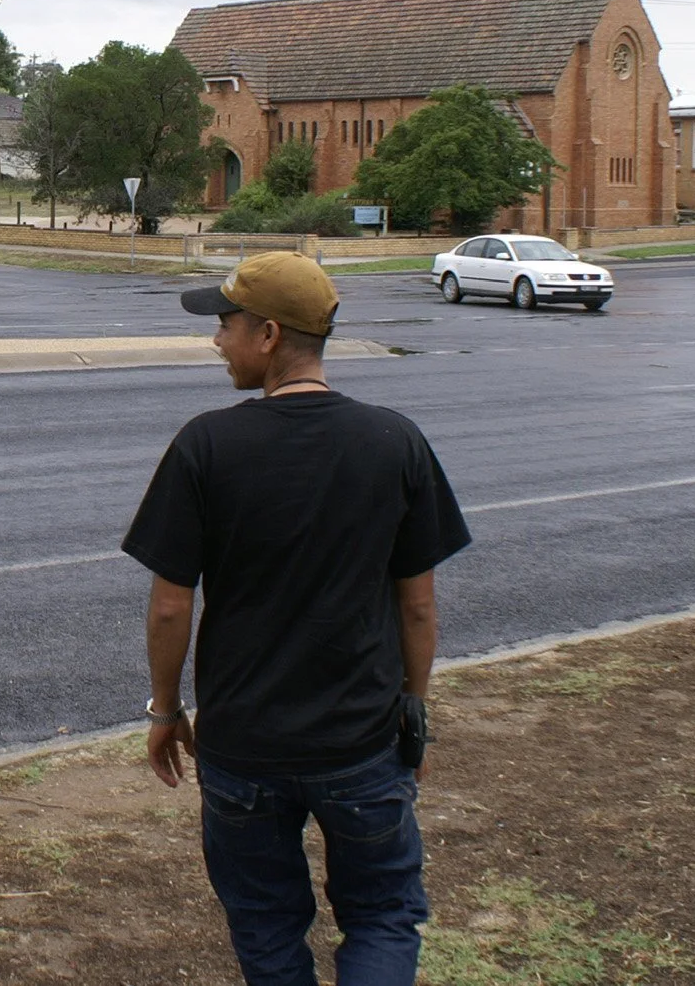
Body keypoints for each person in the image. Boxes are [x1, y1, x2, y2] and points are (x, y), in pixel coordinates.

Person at [120, 252, 470, 986]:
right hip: (362, 741)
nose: (216, 339)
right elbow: (416, 602)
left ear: (269, 334)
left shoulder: (206, 445)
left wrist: (164, 708)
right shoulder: (393, 441)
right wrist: (414, 709)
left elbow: (170, 603)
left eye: (225, 324)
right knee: (380, 915)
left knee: (266, 924)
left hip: (244, 748)